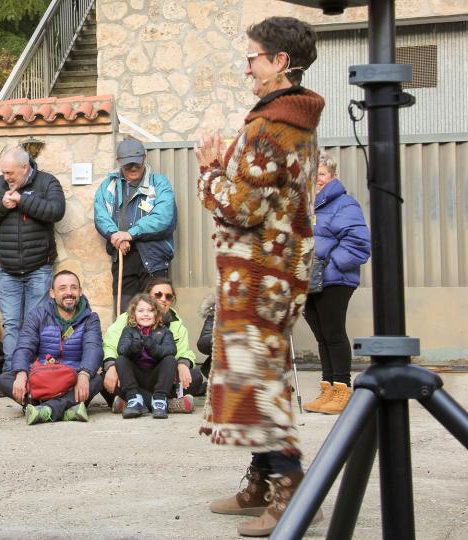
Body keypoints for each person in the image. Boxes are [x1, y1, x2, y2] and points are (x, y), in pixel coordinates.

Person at [194, 16, 325, 536]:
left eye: (254, 56)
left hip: (263, 274)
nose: (247, 65)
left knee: (261, 383)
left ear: (280, 63)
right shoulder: (287, 121)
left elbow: (244, 206)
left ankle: (290, 494)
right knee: (253, 377)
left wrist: (209, 172)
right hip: (272, 270)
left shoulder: (272, 126)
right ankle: (260, 481)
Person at [0, 147, 65, 372]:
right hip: (8, 269)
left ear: (25, 168)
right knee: (12, 324)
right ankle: (12, 372)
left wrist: (23, 201)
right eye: (4, 173)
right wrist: (1, 205)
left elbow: (56, 211)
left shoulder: (47, 182)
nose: (6, 178)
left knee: (35, 324)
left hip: (39, 268)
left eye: (10, 173)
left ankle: (33, 371)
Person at [303, 153, 370, 415]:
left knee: (333, 333)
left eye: (321, 174)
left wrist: (328, 268)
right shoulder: (307, 206)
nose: (316, 180)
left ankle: (343, 389)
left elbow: (358, 244)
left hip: (334, 280)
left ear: (332, 176)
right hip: (308, 280)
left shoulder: (345, 204)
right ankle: (327, 388)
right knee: (321, 336)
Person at [0, 270, 103, 425]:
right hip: (43, 378)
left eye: (74, 288)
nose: (69, 293)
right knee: (5, 378)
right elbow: (24, 347)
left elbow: (93, 348)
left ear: (80, 292)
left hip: (72, 379)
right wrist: (21, 374)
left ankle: (43, 409)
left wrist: (84, 374)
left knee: (98, 379)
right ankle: (67, 408)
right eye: (62, 288)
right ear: (52, 293)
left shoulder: (90, 318)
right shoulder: (38, 315)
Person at [94, 137, 177, 310]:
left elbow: (163, 217)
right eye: (127, 164)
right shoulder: (108, 186)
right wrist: (116, 236)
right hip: (123, 259)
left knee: (156, 314)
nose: (132, 168)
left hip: (154, 260)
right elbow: (101, 216)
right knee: (125, 315)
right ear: (119, 162)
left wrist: (129, 234)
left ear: (144, 159)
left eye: (136, 164)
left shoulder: (159, 183)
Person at [102, 277, 204, 414]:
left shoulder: (176, 324)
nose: (163, 299)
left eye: (168, 296)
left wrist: (183, 363)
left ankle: (132, 403)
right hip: (134, 375)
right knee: (104, 379)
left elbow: (182, 351)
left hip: (161, 377)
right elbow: (110, 345)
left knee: (195, 376)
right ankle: (167, 404)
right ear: (147, 296)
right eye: (158, 295)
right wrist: (112, 366)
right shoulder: (127, 320)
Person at [113, 293, 179, 419]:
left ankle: (159, 400)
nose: (145, 314)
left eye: (150, 310)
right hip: (137, 377)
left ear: (157, 314)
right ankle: (134, 399)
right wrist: (134, 347)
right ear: (133, 314)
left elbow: (171, 350)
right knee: (121, 360)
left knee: (170, 360)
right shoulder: (128, 330)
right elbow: (121, 350)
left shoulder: (165, 331)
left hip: (156, 376)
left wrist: (152, 346)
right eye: (141, 310)